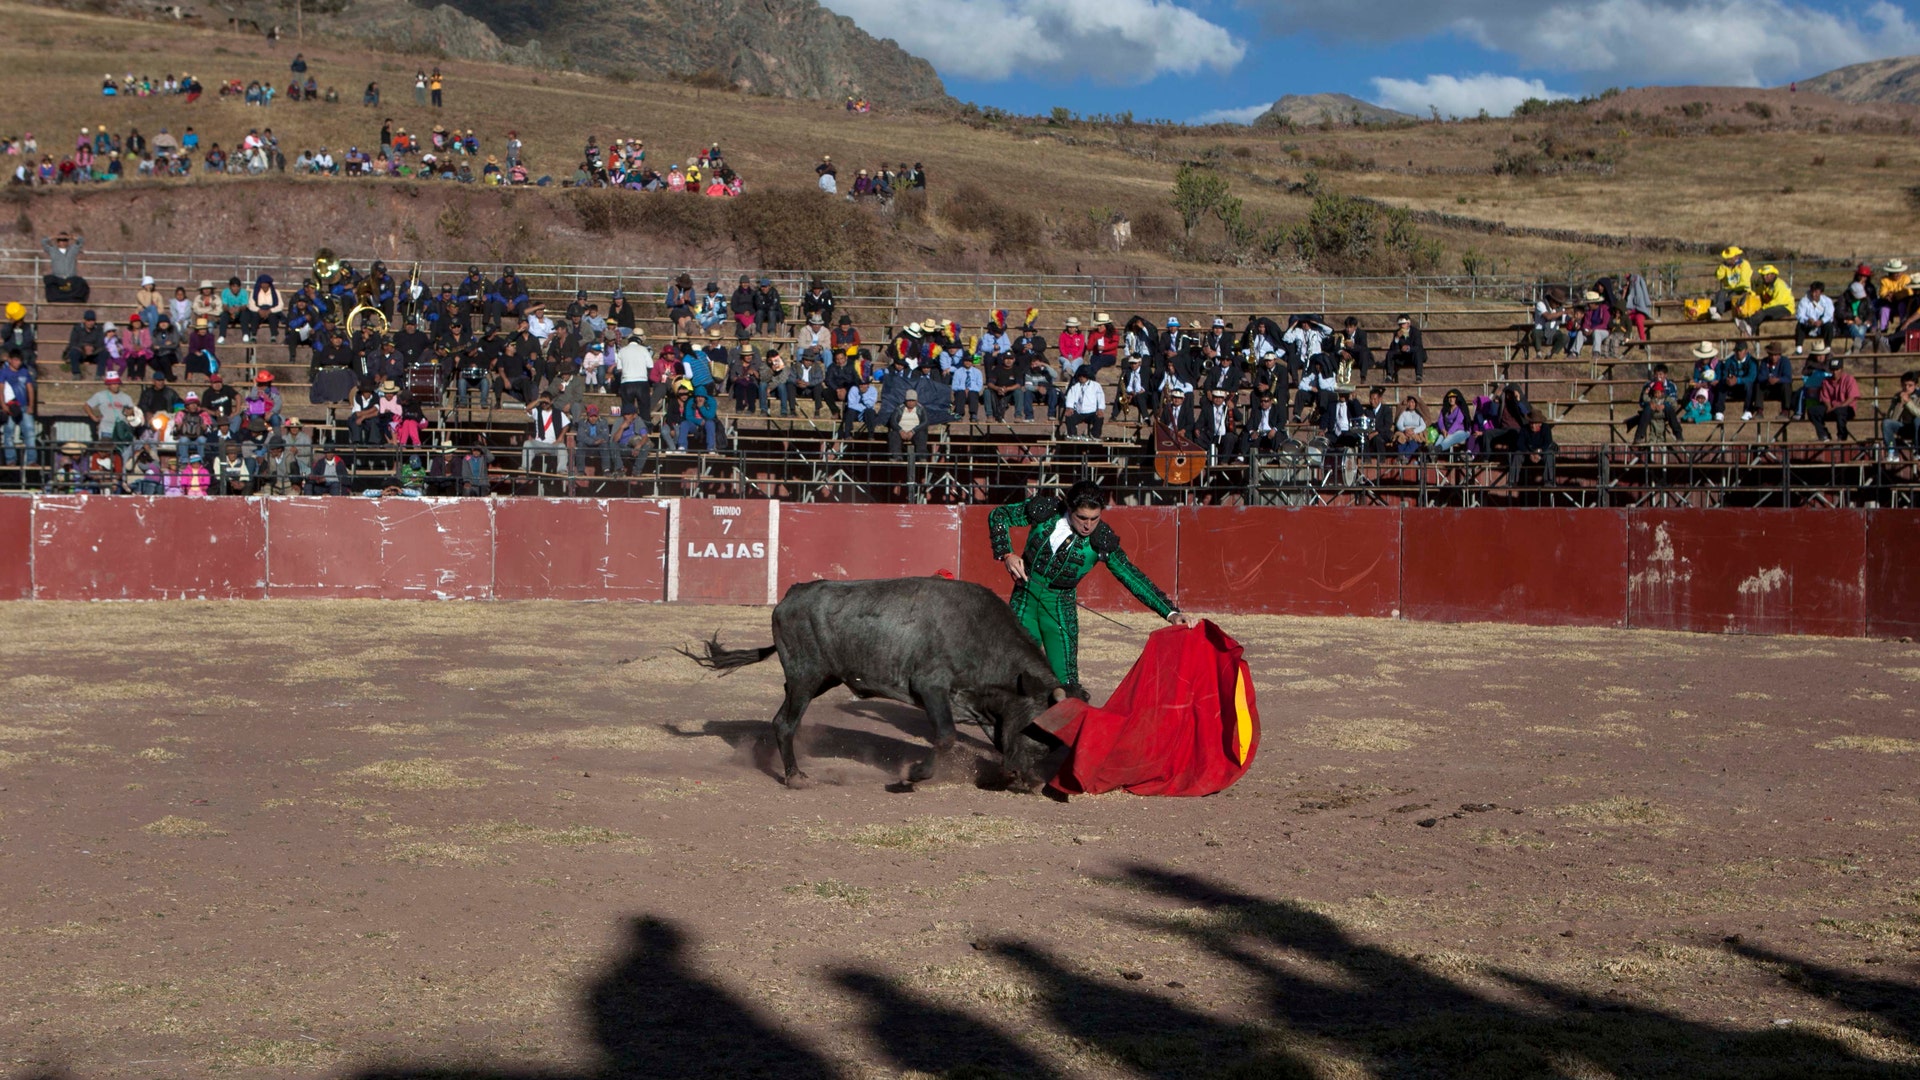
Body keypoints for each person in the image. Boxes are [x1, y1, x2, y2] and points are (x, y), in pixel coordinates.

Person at [988, 480, 1192, 694]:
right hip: (1024, 598)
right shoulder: (1046, 511)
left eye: (1094, 518)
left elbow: (1131, 575)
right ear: (1069, 509)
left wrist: (1170, 612)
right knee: (1011, 671)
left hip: (1059, 608)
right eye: (1082, 518)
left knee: (1066, 683)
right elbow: (999, 515)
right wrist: (1007, 554)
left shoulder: (1101, 539)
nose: (1088, 525)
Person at [1808, 349, 1857, 442]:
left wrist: (1838, 407)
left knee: (1840, 411)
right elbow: (1825, 397)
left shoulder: (1849, 379)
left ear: (1842, 369)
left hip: (1847, 409)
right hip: (1832, 408)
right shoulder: (1826, 381)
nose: (1835, 372)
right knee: (1812, 410)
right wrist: (1829, 407)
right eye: (1833, 370)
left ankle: (1842, 436)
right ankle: (1824, 435)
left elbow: (1851, 397)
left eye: (1837, 369)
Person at [0, 348, 36, 470]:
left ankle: (32, 460)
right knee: (8, 433)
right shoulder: (4, 373)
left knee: (30, 433)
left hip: (24, 407)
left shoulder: (24, 372)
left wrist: (31, 405)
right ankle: (11, 459)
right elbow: (1, 389)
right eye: (15, 360)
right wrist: (3, 405)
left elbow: (30, 389)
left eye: (20, 360)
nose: (18, 363)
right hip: (10, 406)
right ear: (10, 360)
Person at [1633, 362, 1684, 444]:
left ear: (1665, 375)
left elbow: (1674, 402)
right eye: (1656, 374)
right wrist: (1649, 404)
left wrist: (1664, 405)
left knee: (1669, 408)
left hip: (1665, 412)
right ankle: (1639, 437)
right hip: (1651, 411)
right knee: (1647, 409)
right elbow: (1642, 401)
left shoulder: (1671, 386)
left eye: (1660, 374)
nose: (1658, 377)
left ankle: (1678, 435)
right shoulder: (1648, 385)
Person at [1512, 410, 1558, 487]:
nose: (1533, 425)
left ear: (1540, 423)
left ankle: (1549, 482)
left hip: (1542, 452)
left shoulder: (1546, 428)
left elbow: (1548, 442)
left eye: (1535, 423)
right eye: (1531, 423)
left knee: (1549, 454)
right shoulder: (1524, 429)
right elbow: (1520, 443)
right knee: (1517, 454)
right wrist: (1529, 453)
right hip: (1528, 453)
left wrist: (1539, 452)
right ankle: (1512, 482)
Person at [1882, 370, 1920, 461]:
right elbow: (1892, 418)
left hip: (1918, 429)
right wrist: (1900, 404)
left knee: (1918, 420)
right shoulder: (1897, 397)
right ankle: (1893, 453)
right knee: (1886, 423)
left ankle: (1918, 452)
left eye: (1910, 385)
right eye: (1904, 385)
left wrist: (1908, 403)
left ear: (1915, 385)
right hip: (1903, 427)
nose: (1907, 388)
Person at [41, 229, 87, 302]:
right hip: (57, 278)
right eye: (60, 240)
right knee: (49, 281)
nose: (62, 242)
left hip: (71, 278)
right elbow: (43, 241)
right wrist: (54, 237)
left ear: (68, 241)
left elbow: (81, 241)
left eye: (65, 240)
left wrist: (71, 237)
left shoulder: (73, 250)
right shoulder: (52, 250)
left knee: (81, 282)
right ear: (57, 242)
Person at [1062, 367, 1104, 439]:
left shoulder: (1096, 386)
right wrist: (1069, 407)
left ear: (1087, 376)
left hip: (1092, 412)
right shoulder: (1075, 387)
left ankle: (1094, 435)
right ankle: (1072, 435)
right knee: (1069, 416)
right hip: (1079, 412)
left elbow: (1101, 397)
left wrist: (1100, 408)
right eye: (1080, 376)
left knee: (1099, 417)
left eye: (1083, 376)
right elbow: (1070, 398)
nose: (1081, 378)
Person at [887, 388, 928, 460]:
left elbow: (925, 422)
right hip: (901, 432)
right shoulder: (899, 408)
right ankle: (896, 457)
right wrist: (900, 431)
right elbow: (893, 421)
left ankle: (921, 457)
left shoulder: (921, 409)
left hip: (915, 432)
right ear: (905, 400)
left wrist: (913, 431)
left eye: (913, 400)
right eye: (909, 400)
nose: (911, 402)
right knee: (893, 434)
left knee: (921, 435)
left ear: (916, 401)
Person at [1383, 315, 1425, 383]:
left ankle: (1419, 376)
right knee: (1390, 354)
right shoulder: (1397, 332)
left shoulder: (1415, 332)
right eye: (1400, 324)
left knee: (1418, 352)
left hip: (1412, 356)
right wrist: (1397, 338)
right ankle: (1389, 376)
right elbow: (1393, 348)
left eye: (1403, 324)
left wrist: (1408, 348)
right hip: (1402, 356)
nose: (1401, 326)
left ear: (1408, 324)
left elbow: (1418, 346)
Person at [1795, 281, 1835, 352]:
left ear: (1821, 293)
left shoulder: (1827, 301)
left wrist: (1821, 321)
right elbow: (1799, 315)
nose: (1813, 294)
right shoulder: (1804, 301)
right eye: (1812, 292)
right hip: (1808, 326)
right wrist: (1807, 320)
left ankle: (1827, 348)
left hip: (1822, 326)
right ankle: (1799, 349)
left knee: (1829, 326)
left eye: (1816, 292)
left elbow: (1829, 315)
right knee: (1800, 325)